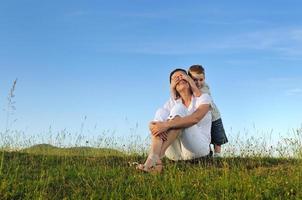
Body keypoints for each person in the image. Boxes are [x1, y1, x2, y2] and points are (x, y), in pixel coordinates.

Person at [136, 68, 213, 173]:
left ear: (189, 80)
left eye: (182, 76)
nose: (179, 79)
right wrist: (152, 125)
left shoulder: (203, 98)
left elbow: (195, 118)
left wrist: (166, 125)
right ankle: (154, 157)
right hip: (176, 154)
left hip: (199, 149)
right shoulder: (171, 103)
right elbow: (158, 123)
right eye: (175, 78)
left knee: (179, 109)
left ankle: (156, 158)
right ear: (172, 86)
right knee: (160, 112)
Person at [188, 65, 228, 157]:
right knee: (205, 136)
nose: (198, 83)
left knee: (217, 137)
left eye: (201, 79)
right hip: (202, 119)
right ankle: (208, 154)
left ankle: (217, 155)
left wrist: (192, 84)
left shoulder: (205, 87)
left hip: (214, 117)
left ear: (204, 78)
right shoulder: (189, 88)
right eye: (195, 80)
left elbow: (200, 96)